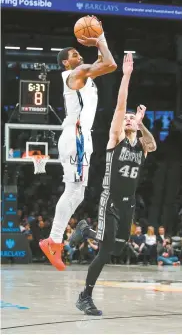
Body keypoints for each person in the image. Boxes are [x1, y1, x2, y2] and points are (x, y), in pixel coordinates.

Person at [72, 53, 156, 315]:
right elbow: (120, 107)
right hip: (109, 199)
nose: (129, 119)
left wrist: (141, 126)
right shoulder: (116, 138)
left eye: (133, 119)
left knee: (118, 248)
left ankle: (85, 230)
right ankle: (85, 296)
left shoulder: (140, 145)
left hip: (127, 204)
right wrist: (126, 76)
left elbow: (152, 144)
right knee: (105, 252)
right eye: (128, 119)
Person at [39, 17, 117, 271]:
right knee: (73, 189)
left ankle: (54, 240)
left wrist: (98, 41)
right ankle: (53, 240)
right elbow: (110, 64)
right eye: (74, 53)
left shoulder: (84, 76)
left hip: (82, 136)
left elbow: (103, 63)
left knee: (79, 192)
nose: (77, 55)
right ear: (66, 62)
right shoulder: (74, 74)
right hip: (76, 135)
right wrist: (100, 38)